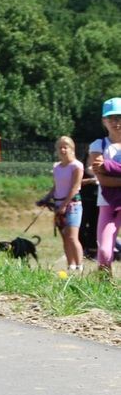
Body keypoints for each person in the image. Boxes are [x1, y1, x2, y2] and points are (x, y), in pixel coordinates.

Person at [86, 98, 121, 275]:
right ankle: (105, 288)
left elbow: (106, 173)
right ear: (104, 121)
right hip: (108, 203)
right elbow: (103, 180)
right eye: (112, 118)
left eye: (120, 117)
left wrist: (109, 167)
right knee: (105, 252)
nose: (117, 122)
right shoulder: (98, 145)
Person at [49, 135, 84, 272]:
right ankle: (71, 266)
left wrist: (64, 205)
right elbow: (56, 186)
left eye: (66, 147)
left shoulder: (76, 166)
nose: (63, 150)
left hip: (73, 205)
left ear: (72, 149)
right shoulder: (56, 167)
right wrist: (46, 198)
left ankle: (80, 266)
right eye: (60, 147)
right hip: (58, 205)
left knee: (72, 236)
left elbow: (74, 187)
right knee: (64, 237)